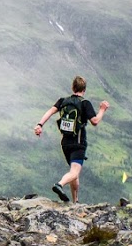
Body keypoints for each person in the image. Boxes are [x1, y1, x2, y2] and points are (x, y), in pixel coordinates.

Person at [34, 75, 109, 204]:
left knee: (74, 172)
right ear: (84, 89)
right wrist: (102, 109)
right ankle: (59, 184)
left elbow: (50, 112)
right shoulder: (85, 103)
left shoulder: (63, 101)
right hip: (78, 142)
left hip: (65, 143)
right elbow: (95, 121)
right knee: (74, 172)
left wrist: (39, 125)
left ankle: (75, 201)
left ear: (72, 87)